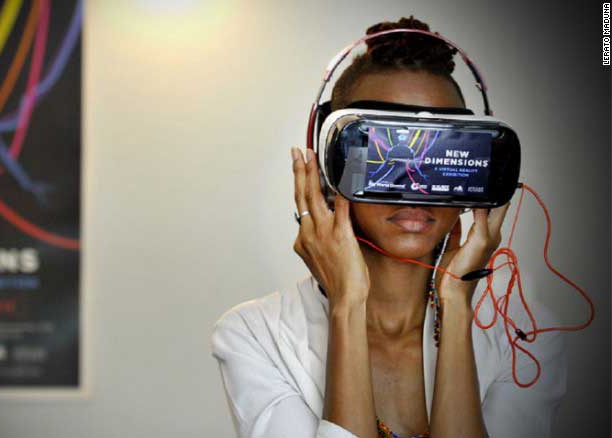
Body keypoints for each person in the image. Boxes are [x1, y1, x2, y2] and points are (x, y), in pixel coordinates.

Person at [209, 16, 567, 438]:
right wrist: (346, 307)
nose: (414, 184)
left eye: (442, 151)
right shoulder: (255, 334)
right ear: (329, 166)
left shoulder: (523, 338)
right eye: (385, 152)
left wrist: (456, 308)